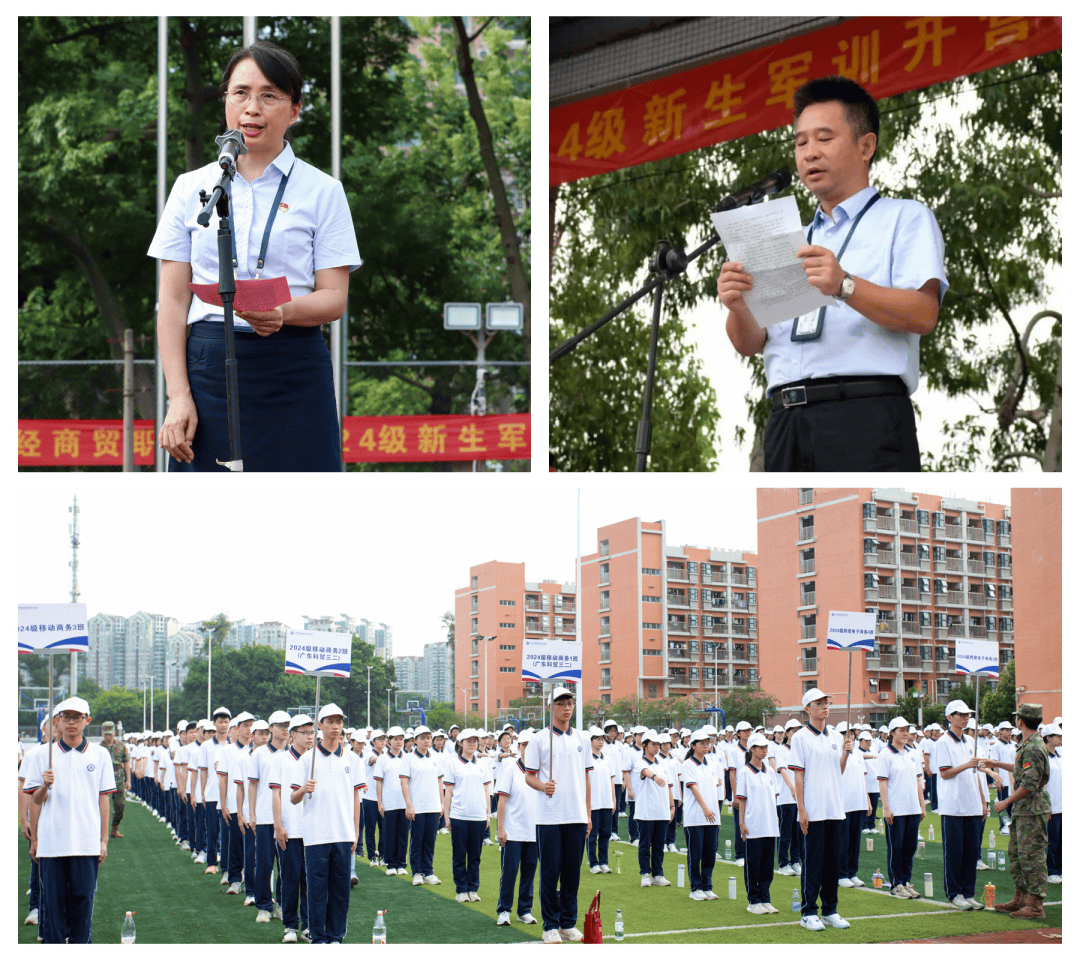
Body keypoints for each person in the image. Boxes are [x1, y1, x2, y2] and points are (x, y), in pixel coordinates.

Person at [148, 40, 362, 472]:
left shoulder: (323, 191)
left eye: (269, 95)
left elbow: (334, 298)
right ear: (225, 100)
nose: (252, 108)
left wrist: (282, 311)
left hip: (294, 367)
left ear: (295, 109)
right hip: (207, 365)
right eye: (240, 93)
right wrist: (178, 396)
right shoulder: (191, 189)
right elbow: (171, 301)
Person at [717, 74, 948, 471]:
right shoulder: (789, 237)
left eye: (824, 139)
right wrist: (738, 307)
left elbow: (923, 314)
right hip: (785, 421)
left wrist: (845, 285)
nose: (809, 153)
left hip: (863, 416)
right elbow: (750, 343)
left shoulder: (904, 217)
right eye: (800, 142)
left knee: (858, 529)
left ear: (866, 146)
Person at [24, 698, 116, 944]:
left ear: (87, 721)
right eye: (66, 717)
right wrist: (45, 785)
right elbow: (36, 800)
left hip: (85, 843)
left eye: (77, 717)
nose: (72, 722)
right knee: (52, 907)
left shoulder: (100, 754)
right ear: (58, 721)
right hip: (52, 843)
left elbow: (103, 799)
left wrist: (104, 840)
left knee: (83, 903)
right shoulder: (41, 755)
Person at [523, 687, 593, 944]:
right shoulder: (539, 739)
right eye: (561, 703)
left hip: (576, 815)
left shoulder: (582, 739)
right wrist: (543, 786)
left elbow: (586, 778)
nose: (566, 707)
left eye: (570, 703)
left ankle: (567, 923)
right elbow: (529, 776)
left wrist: (588, 814)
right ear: (550, 706)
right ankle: (550, 925)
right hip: (549, 817)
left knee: (572, 872)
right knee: (550, 873)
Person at [291, 703, 363, 943]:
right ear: (319, 726)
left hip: (343, 835)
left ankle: (336, 936)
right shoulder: (306, 760)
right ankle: (318, 936)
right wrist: (304, 788)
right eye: (330, 722)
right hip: (316, 835)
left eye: (339, 722)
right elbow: (293, 798)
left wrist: (355, 833)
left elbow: (356, 799)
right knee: (317, 890)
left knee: (341, 892)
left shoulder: (352, 759)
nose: (335, 726)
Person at [788, 688, 852, 932]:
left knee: (832, 864)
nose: (825, 706)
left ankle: (830, 910)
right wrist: (802, 810)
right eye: (819, 703)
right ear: (808, 708)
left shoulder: (835, 736)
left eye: (827, 702)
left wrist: (846, 752)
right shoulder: (800, 738)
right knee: (813, 863)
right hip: (813, 810)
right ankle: (808, 912)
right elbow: (799, 775)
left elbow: (839, 771)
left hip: (834, 809)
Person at [982, 703, 1052, 919]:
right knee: (1018, 855)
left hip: (1031, 809)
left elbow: (1030, 783)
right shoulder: (1029, 744)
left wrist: (1006, 802)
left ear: (1020, 721)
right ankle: (1020, 898)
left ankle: (1035, 905)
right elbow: (1023, 769)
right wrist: (996, 763)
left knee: (1032, 856)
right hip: (1026, 810)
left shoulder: (1032, 746)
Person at [933, 701, 987, 910]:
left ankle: (968, 892)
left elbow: (976, 776)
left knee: (971, 851)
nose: (965, 718)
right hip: (953, 805)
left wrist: (982, 801)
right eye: (961, 714)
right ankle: (954, 893)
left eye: (967, 715)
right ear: (950, 717)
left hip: (971, 803)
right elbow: (945, 773)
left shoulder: (971, 741)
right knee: (954, 851)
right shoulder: (943, 742)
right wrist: (967, 764)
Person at [273, 714, 312, 943]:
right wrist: (279, 825)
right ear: (293, 734)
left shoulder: (315, 760)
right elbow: (277, 793)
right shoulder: (281, 760)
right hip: (290, 829)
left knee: (311, 880)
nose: (309, 737)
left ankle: (308, 926)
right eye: (304, 732)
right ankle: (290, 926)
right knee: (290, 879)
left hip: (313, 832)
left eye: (311, 732)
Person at [877, 716, 926, 899]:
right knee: (895, 848)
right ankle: (896, 883)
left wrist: (922, 805)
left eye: (907, 730)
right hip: (896, 809)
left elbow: (917, 781)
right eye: (901, 730)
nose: (905, 734)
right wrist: (886, 808)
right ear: (892, 733)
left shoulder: (913, 753)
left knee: (909, 847)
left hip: (912, 808)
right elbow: (883, 783)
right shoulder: (885, 754)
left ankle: (906, 881)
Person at [494, 727, 539, 926]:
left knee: (529, 873)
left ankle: (524, 910)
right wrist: (500, 829)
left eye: (531, 746)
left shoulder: (542, 770)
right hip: (513, 831)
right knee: (510, 872)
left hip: (535, 831)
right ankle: (504, 910)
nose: (527, 749)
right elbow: (502, 800)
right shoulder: (510, 768)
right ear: (518, 747)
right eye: (524, 745)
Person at [248, 710, 290, 922]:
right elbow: (253, 785)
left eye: (287, 725)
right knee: (264, 863)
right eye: (279, 725)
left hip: (288, 819)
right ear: (270, 728)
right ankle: (263, 906)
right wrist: (252, 813)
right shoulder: (259, 753)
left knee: (286, 866)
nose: (284, 729)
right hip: (265, 817)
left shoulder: (294, 754)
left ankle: (282, 905)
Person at [443, 728, 491, 903]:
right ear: (460, 743)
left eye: (474, 741)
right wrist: (446, 817)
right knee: (459, 854)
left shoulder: (483, 764)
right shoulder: (452, 763)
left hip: (478, 816)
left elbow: (487, 791)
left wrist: (488, 814)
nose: (472, 744)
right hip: (459, 815)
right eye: (468, 741)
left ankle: (473, 888)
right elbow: (448, 792)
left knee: (475, 855)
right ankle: (461, 889)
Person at [737, 732, 781, 914]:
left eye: (766, 747)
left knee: (767, 865)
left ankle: (765, 897)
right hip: (753, 825)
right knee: (753, 864)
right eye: (761, 748)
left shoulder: (770, 771)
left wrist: (776, 818)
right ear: (752, 749)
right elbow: (742, 800)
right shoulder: (744, 772)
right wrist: (741, 823)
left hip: (770, 825)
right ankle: (753, 900)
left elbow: (774, 798)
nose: (764, 751)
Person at [400, 724, 443, 885]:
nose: (426, 741)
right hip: (417, 806)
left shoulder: (435, 759)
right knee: (417, 839)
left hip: (433, 805)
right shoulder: (408, 759)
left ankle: (428, 871)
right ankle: (417, 872)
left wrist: (441, 803)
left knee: (430, 840)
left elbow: (440, 781)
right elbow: (404, 782)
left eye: (428, 738)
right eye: (422, 738)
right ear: (415, 740)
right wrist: (409, 805)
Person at [631, 729, 674, 889]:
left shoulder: (662, 764)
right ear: (645, 745)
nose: (657, 747)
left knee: (658, 845)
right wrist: (654, 777)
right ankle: (645, 874)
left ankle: (658, 874)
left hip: (662, 810)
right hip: (646, 811)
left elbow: (669, 786)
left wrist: (671, 806)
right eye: (653, 744)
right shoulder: (640, 762)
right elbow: (645, 772)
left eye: (658, 744)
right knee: (645, 844)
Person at [682, 729, 720, 901]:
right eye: (702, 743)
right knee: (695, 853)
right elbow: (694, 787)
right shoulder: (688, 764)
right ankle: (695, 887)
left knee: (710, 852)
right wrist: (704, 808)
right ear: (693, 745)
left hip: (712, 815)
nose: (706, 746)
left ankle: (707, 885)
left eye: (708, 742)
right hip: (696, 816)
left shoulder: (710, 763)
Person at [836, 723, 871, 888]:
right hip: (843, 803)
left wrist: (868, 800)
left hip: (858, 802)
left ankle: (852, 872)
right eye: (844, 734)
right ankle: (841, 874)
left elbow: (862, 778)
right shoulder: (836, 752)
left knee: (855, 841)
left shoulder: (857, 754)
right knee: (843, 840)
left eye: (850, 733)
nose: (848, 736)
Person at [375, 726, 409, 875]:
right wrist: (380, 802)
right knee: (389, 834)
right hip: (389, 802)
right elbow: (378, 782)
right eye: (395, 739)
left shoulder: (408, 757)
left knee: (403, 834)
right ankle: (390, 864)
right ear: (389, 741)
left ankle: (401, 863)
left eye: (401, 739)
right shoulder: (382, 759)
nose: (398, 742)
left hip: (404, 803)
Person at [586, 727, 616, 874]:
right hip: (593, 802)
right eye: (597, 739)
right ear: (591, 741)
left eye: (602, 739)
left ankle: (603, 861)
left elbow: (611, 781)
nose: (600, 741)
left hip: (606, 802)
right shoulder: (586, 759)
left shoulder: (608, 759)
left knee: (605, 833)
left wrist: (613, 800)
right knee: (592, 834)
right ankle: (593, 863)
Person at [99, 721, 130, 839]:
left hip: (118, 778)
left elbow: (126, 762)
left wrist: (128, 780)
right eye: (106, 734)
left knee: (120, 806)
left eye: (110, 734)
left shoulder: (121, 746)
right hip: (102, 778)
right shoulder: (98, 748)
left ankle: (115, 828)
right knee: (100, 806)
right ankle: (101, 832)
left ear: (114, 733)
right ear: (102, 733)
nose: (108, 736)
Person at [1042, 723, 1062, 885]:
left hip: (1063, 804)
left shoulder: (1062, 755)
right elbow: (1043, 783)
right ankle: (1052, 871)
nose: (1061, 738)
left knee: (1063, 840)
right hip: (1052, 805)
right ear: (1048, 738)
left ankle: (1061, 869)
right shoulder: (1044, 757)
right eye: (1058, 735)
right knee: (1052, 840)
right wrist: (1046, 805)